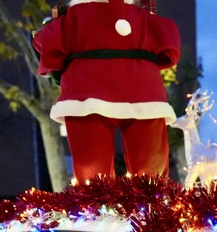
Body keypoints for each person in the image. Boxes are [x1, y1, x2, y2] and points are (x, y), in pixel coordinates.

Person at [32, 0, 180, 182]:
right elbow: (169, 51)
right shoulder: (143, 18)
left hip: (86, 92)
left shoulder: (73, 19)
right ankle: (152, 204)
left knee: (92, 172)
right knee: (150, 172)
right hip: (144, 93)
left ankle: (98, 204)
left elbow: (50, 51)